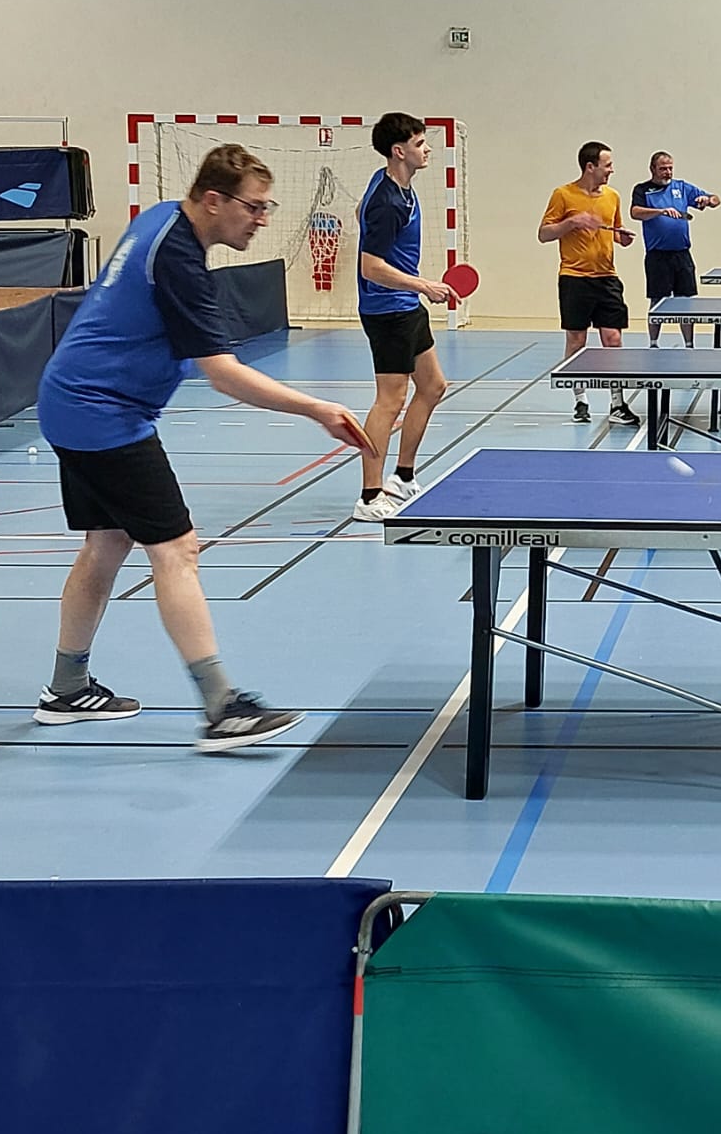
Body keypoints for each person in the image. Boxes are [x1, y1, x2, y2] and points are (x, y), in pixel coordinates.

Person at [34, 145, 365, 751]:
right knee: (177, 550)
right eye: (254, 207)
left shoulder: (162, 215)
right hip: (103, 414)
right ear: (213, 201)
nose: (262, 219)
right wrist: (318, 408)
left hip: (71, 400)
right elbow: (224, 376)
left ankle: (67, 688)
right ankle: (223, 708)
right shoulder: (179, 260)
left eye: (266, 207)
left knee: (106, 544)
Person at [351, 112, 457, 522]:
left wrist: (414, 288)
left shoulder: (391, 186)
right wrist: (424, 284)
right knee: (390, 400)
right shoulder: (388, 201)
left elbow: (360, 212)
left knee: (432, 386)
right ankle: (369, 496)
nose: (427, 149)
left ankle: (403, 477)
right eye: (419, 144)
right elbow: (370, 267)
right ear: (399, 151)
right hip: (387, 310)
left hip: (405, 306)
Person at [540, 140, 639, 426]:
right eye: (608, 165)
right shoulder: (563, 195)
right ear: (590, 167)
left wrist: (622, 237)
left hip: (607, 277)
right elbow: (544, 234)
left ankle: (617, 404)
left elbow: (614, 231)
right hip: (574, 278)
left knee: (613, 339)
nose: (612, 170)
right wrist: (572, 222)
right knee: (577, 340)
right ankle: (580, 400)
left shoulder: (613, 196)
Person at [631, 150, 721, 347]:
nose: (668, 172)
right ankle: (653, 343)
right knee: (657, 300)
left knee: (685, 302)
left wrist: (708, 200)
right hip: (657, 256)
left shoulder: (681, 187)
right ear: (652, 169)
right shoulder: (642, 190)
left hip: (682, 254)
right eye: (663, 168)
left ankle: (689, 344)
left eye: (670, 168)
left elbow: (715, 199)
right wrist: (660, 211)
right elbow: (635, 212)